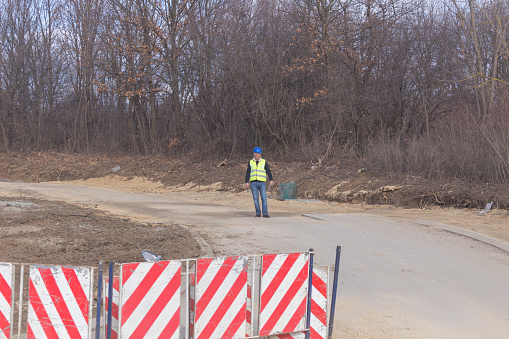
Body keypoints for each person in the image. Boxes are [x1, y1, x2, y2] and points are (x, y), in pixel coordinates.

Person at [245, 147, 274, 218]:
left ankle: (265, 213)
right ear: (254, 154)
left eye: (259, 154)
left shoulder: (264, 161)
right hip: (253, 183)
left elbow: (268, 171)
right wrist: (246, 182)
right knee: (255, 199)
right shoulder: (251, 162)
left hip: (262, 183)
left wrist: (271, 179)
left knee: (264, 198)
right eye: (257, 154)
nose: (259, 155)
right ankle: (258, 213)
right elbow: (248, 172)